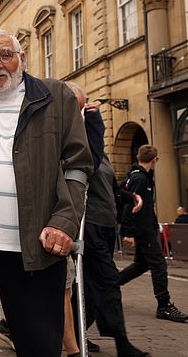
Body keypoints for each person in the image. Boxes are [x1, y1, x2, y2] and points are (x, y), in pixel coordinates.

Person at [0, 29, 93, 357]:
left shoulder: (55, 96)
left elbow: (78, 165)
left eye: (5, 55)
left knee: (38, 345)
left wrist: (65, 222)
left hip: (32, 251)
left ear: (21, 59)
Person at [66, 84, 150, 357]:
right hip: (85, 224)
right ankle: (122, 343)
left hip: (104, 223)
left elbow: (109, 186)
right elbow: (87, 161)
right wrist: (95, 123)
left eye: (85, 105)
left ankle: (75, 334)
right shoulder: (77, 140)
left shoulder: (93, 142)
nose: (85, 110)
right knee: (107, 280)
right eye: (79, 106)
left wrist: (130, 198)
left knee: (88, 288)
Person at [119, 145, 188, 323]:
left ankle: (109, 286)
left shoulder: (141, 177)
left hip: (146, 229)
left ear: (137, 156)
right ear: (155, 160)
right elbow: (129, 204)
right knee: (159, 266)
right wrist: (128, 232)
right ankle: (164, 306)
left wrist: (153, 222)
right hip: (143, 232)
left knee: (141, 265)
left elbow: (146, 206)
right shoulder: (140, 178)